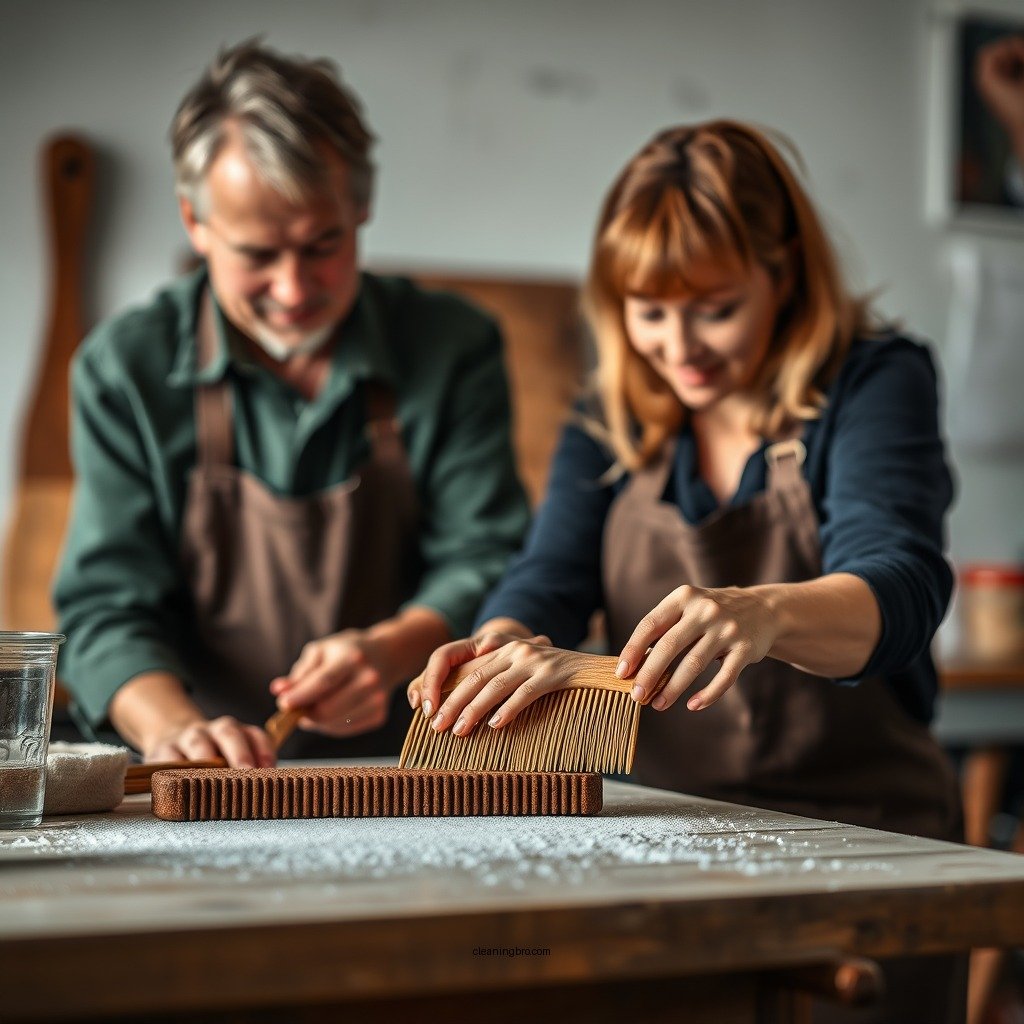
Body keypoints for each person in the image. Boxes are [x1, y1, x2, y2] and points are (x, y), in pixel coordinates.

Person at [413, 121, 964, 1022]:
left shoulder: (873, 381)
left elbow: (902, 582)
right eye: (650, 311)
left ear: (784, 273)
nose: (680, 346)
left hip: (866, 838)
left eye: (714, 307)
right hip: (668, 834)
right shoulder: (609, 416)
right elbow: (547, 578)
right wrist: (501, 646)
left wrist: (766, 613)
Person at [53, 40, 529, 767]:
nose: (294, 288)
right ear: (194, 221)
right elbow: (105, 607)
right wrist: (173, 731)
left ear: (362, 206)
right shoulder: (125, 369)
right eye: (256, 254)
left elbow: (486, 556)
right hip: (194, 778)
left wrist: (390, 650)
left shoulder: (451, 345)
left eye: (322, 245)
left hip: (408, 771)